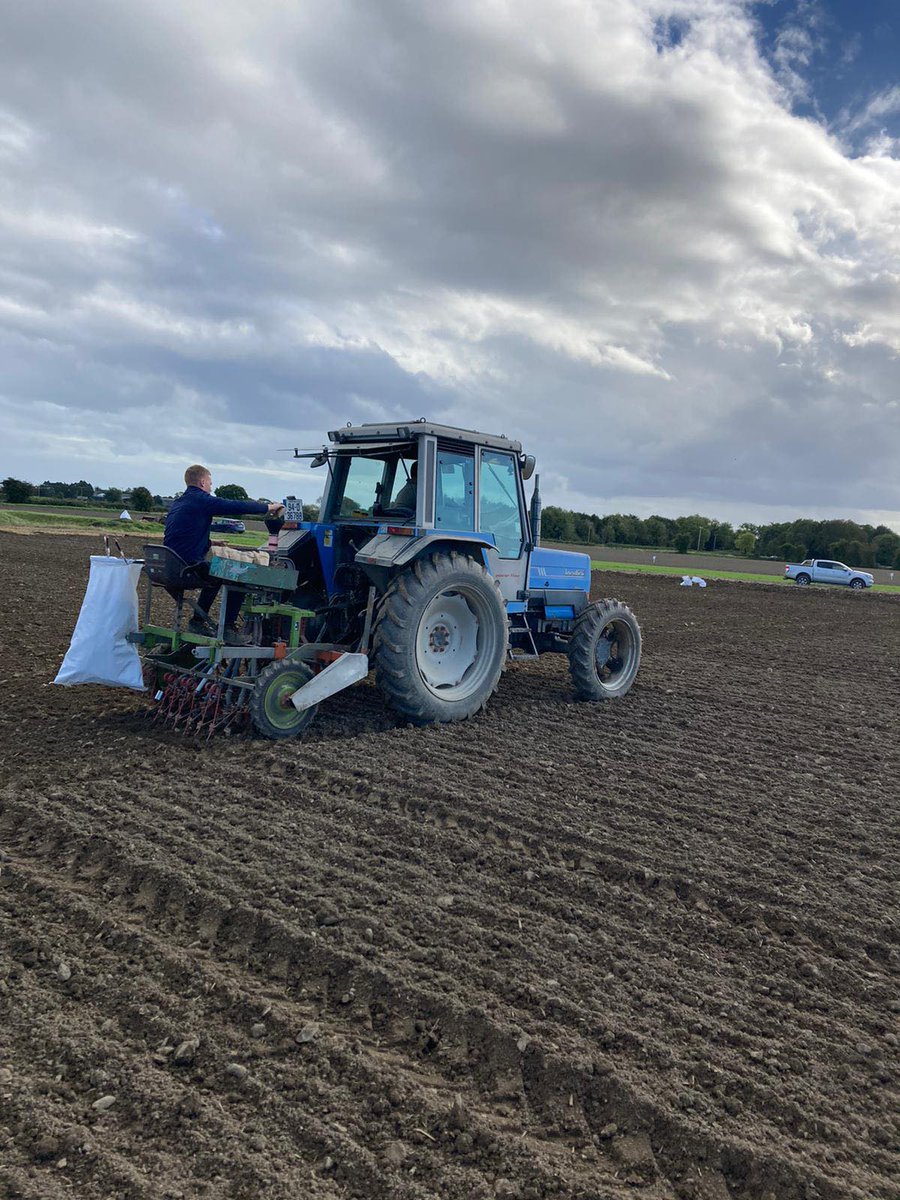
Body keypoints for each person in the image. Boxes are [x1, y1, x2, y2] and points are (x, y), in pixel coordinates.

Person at [164, 464, 282, 644]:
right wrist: (268, 507)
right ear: (202, 482)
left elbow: (183, 536)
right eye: (210, 483)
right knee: (239, 573)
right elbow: (234, 506)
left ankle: (198, 621)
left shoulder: (179, 502)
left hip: (172, 565)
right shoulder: (201, 500)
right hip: (188, 566)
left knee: (214, 572)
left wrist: (211, 543)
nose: (211, 488)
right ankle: (226, 628)